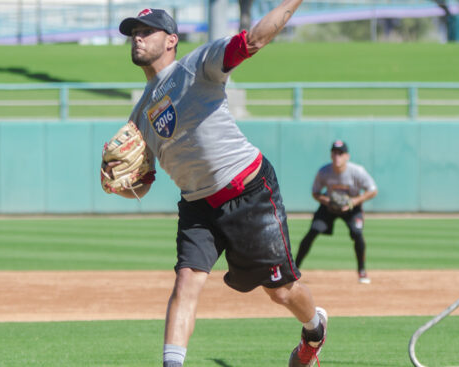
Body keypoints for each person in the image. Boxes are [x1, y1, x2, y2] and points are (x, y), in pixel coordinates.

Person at [103, 2, 327, 366]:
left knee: (282, 292)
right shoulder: (140, 113)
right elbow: (144, 184)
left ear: (171, 39)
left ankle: (314, 331)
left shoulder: (196, 66)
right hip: (197, 205)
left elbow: (252, 41)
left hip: (249, 190)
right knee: (185, 283)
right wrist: (122, 182)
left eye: (146, 31)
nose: (137, 38)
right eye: (134, 33)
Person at [295, 140, 378, 284]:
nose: (337, 156)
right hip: (329, 208)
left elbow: (373, 190)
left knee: (357, 233)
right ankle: (294, 270)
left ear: (347, 156)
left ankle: (362, 271)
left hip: (352, 208)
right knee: (313, 231)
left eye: (341, 153)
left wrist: (353, 202)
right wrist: (328, 201)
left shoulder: (357, 171)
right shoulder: (324, 171)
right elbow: (315, 192)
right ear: (331, 155)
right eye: (334, 153)